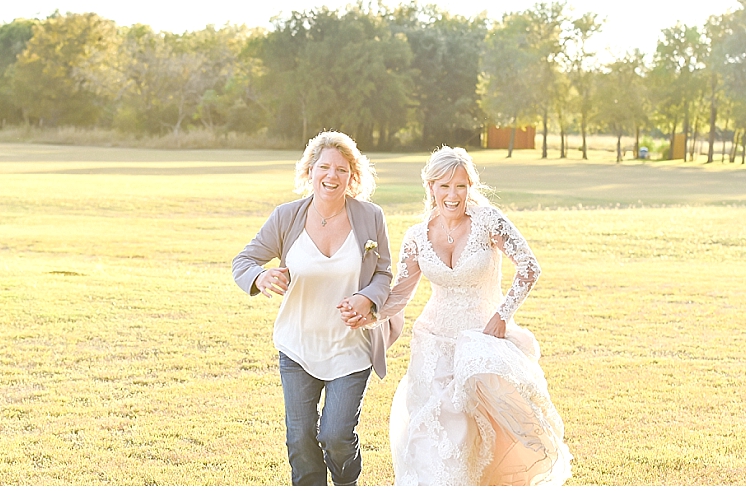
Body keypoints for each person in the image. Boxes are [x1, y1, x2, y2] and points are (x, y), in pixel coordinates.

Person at [346, 146, 572, 485]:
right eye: (445, 186)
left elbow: (529, 267)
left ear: (470, 187)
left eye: (461, 186)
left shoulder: (488, 221)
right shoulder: (417, 237)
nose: (453, 195)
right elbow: (401, 295)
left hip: (481, 342)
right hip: (432, 344)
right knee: (433, 433)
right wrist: (371, 313)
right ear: (431, 187)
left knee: (473, 432)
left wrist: (502, 315)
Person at [232, 131, 402, 486]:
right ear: (310, 171)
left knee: (336, 436)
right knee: (300, 440)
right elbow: (244, 260)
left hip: (351, 350)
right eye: (324, 167)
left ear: (352, 176)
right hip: (298, 348)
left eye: (341, 169)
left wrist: (367, 298)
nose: (331, 176)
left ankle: (346, 483)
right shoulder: (286, 217)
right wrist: (261, 278)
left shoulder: (371, 217)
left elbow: (385, 273)